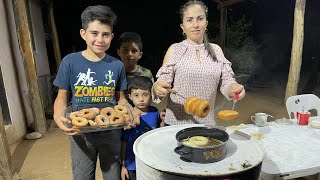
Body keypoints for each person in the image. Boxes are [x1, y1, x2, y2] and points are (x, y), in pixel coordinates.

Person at [53, 5, 131, 180]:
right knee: (82, 176)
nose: (100, 40)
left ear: (112, 36)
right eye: (94, 33)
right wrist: (59, 117)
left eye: (105, 34)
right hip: (80, 135)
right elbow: (62, 96)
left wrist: (128, 112)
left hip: (111, 133)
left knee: (112, 176)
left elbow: (121, 99)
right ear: (83, 34)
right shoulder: (70, 62)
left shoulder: (116, 65)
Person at [152, 0, 246, 126]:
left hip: (206, 123)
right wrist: (157, 88)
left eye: (200, 18)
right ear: (182, 27)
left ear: (206, 23)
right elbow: (163, 82)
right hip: (176, 123)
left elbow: (226, 81)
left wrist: (233, 88)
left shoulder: (216, 50)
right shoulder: (175, 49)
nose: (195, 24)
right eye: (189, 20)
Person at [120, 76, 162, 180]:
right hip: (132, 164)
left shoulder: (155, 112)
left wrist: (163, 119)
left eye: (145, 95)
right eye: (136, 95)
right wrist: (123, 166)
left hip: (150, 162)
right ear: (130, 96)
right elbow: (124, 142)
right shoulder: (128, 117)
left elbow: (158, 133)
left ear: (151, 96)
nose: (141, 99)